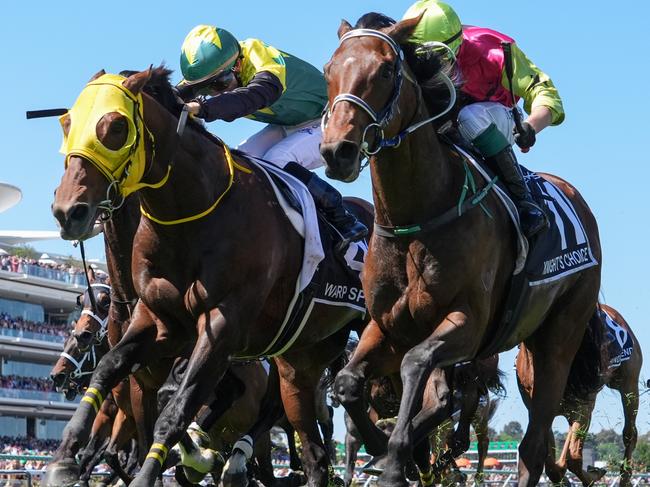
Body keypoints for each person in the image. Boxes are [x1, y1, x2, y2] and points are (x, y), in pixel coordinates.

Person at [178, 24, 367, 245]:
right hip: (288, 123)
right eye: (205, 89)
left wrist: (204, 108)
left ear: (238, 65)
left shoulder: (259, 55)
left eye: (219, 84)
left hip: (329, 118)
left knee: (276, 160)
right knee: (239, 160)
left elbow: (253, 97)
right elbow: (172, 94)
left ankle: (340, 215)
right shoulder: (221, 67)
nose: (215, 92)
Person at [403, 0, 564, 238]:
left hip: (496, 120)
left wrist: (532, 125)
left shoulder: (495, 51)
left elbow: (545, 93)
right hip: (445, 122)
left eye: (437, 57)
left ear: (455, 44)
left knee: (470, 116)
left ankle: (524, 200)